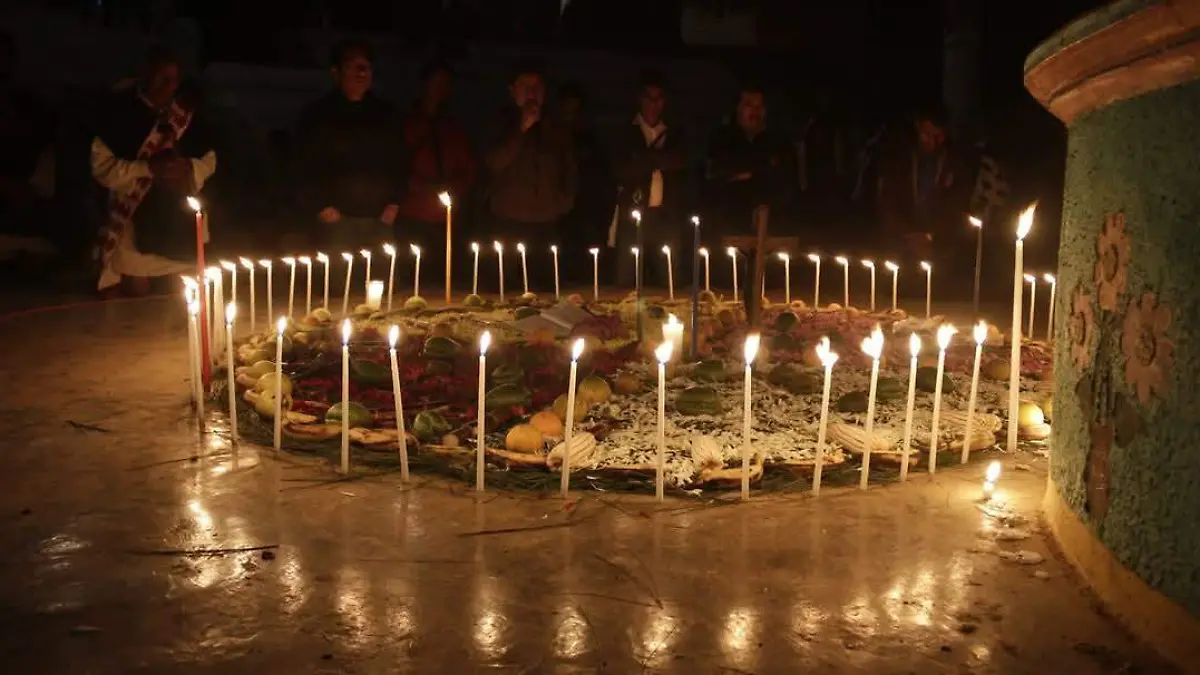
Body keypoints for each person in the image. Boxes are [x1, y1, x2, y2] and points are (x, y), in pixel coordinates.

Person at [91, 45, 216, 296]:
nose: (168, 87)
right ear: (145, 74)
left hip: (176, 216)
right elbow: (102, 168)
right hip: (133, 212)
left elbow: (209, 159)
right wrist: (147, 168)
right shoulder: (119, 112)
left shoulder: (187, 114)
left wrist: (187, 169)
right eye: (162, 79)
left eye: (173, 81)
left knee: (185, 290)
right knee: (137, 288)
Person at [294, 40, 403, 252]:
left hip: (379, 220)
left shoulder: (386, 115)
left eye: (366, 67)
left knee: (379, 281)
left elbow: (400, 161)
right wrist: (320, 205)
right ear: (336, 72)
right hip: (336, 222)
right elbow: (303, 166)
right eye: (354, 66)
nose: (362, 72)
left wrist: (394, 202)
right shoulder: (318, 117)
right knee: (339, 281)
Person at [483, 60, 576, 291]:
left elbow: (570, 167)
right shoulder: (499, 122)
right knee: (508, 292)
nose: (532, 93)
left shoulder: (556, 126)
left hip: (547, 223)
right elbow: (494, 161)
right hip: (509, 222)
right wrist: (522, 128)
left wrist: (564, 202)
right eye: (526, 86)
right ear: (512, 90)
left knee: (546, 292)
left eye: (537, 87)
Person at [705, 83, 796, 293]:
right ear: (737, 108)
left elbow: (784, 175)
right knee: (728, 291)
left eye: (759, 106)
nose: (755, 111)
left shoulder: (778, 140)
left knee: (768, 292)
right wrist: (763, 166)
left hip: (770, 224)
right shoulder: (722, 138)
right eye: (749, 105)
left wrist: (748, 170)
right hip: (730, 222)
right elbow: (720, 170)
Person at [395, 59, 476, 285]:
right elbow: (396, 167)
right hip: (414, 215)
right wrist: (418, 188)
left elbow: (468, 169)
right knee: (414, 278)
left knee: (445, 279)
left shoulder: (454, 127)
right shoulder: (407, 124)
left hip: (446, 219)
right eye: (436, 83)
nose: (440, 90)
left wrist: (454, 189)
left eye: (445, 84)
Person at [611, 70, 688, 289]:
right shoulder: (626, 131)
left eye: (659, 98)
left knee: (670, 280)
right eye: (649, 97)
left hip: (666, 214)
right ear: (640, 99)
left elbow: (681, 160)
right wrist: (658, 159)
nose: (654, 104)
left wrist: (645, 158)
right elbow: (622, 167)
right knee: (626, 278)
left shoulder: (674, 132)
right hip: (633, 213)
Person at [874, 106, 972, 268]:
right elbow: (888, 200)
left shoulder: (955, 163)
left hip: (940, 247)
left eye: (937, 136)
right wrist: (909, 234)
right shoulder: (900, 159)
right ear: (918, 127)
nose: (931, 142)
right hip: (902, 243)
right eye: (926, 135)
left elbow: (958, 205)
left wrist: (932, 236)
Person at [558, 82, 613, 284]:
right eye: (566, 108)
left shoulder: (590, 141)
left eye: (575, 108)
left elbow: (601, 176)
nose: (570, 114)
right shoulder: (551, 137)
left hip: (588, 209)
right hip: (557, 211)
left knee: (586, 266)